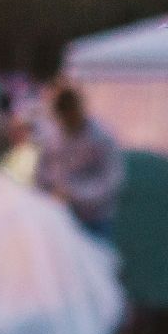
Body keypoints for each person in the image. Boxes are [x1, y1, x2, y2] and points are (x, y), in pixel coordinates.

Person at [34, 84, 124, 239]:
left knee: (96, 260)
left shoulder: (101, 137)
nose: (67, 119)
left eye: (70, 112)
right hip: (61, 216)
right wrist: (50, 195)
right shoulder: (53, 136)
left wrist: (75, 194)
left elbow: (111, 180)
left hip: (94, 218)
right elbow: (42, 173)